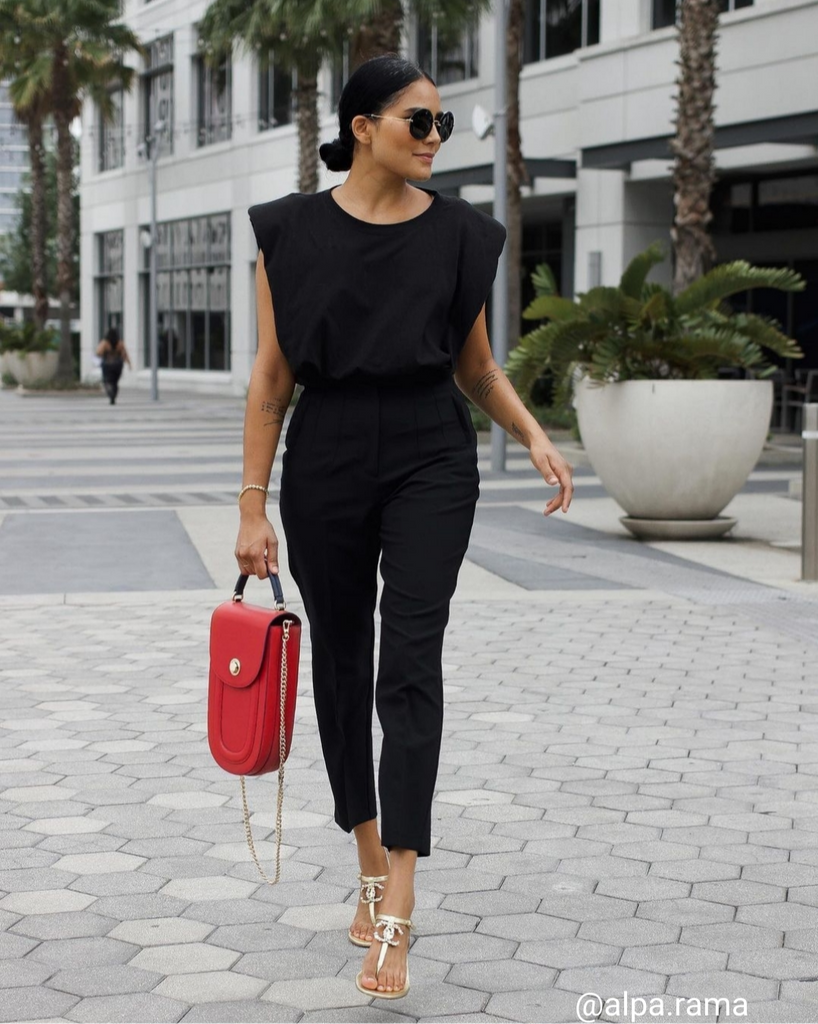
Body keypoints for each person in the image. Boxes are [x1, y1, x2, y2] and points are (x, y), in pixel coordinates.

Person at [236, 53, 574, 1000]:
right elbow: (272, 376)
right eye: (419, 121)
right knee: (342, 666)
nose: (434, 138)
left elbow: (475, 366)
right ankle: (368, 860)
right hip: (329, 451)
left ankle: (400, 911)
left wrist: (534, 434)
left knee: (409, 664)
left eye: (441, 124)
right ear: (363, 128)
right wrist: (252, 502)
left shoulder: (463, 235)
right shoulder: (289, 233)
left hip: (432, 449)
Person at [96, 326, 131, 404]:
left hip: (107, 364)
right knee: (115, 382)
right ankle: (113, 395)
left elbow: (99, 353)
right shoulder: (120, 343)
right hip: (118, 365)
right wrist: (129, 364)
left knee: (107, 380)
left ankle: (110, 392)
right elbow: (124, 355)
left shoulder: (105, 343)